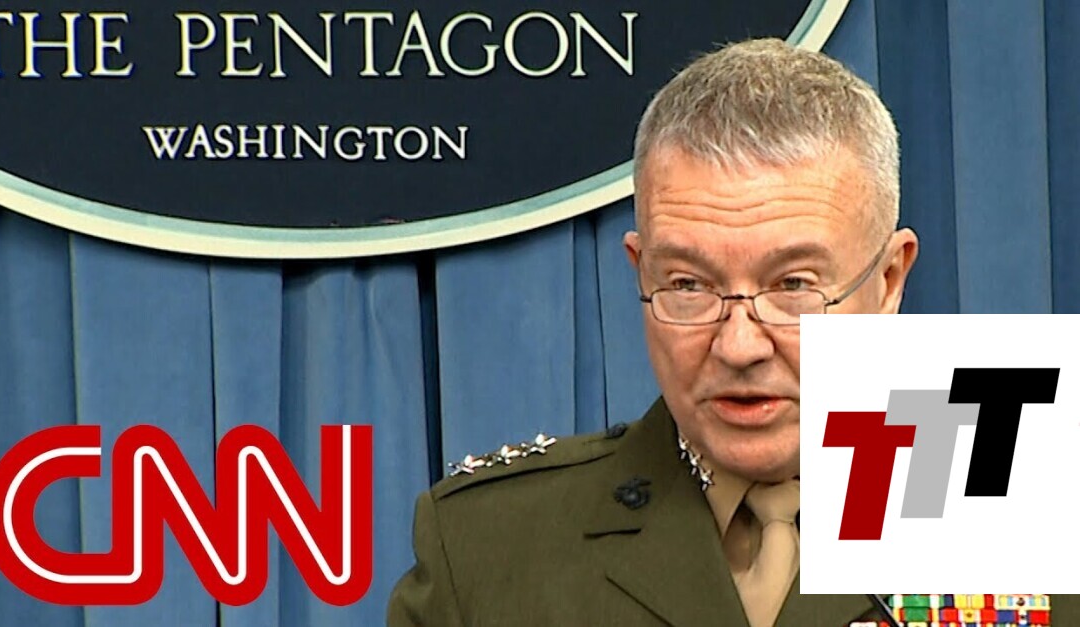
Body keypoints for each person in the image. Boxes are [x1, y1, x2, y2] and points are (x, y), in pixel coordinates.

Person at [386, 38, 1070, 627]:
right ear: (640, 271)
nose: (739, 346)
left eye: (793, 285)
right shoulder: (486, 549)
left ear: (888, 279)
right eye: (688, 285)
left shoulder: (1035, 524)